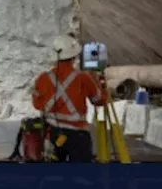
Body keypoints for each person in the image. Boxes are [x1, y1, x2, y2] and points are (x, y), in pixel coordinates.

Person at [31, 35, 106, 163]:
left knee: (54, 177)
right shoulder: (83, 78)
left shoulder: (43, 78)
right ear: (74, 56)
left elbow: (37, 104)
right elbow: (99, 101)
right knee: (81, 178)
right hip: (78, 137)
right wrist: (101, 86)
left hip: (53, 134)